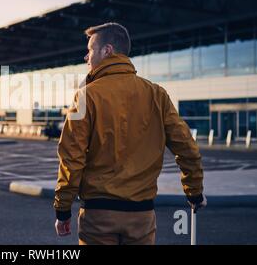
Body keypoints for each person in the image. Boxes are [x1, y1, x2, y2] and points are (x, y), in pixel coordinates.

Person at [54, 22, 206, 245]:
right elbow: (186, 146)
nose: (86, 57)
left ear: (107, 51)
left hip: (98, 214)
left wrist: (63, 209)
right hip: (141, 216)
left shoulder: (85, 97)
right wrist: (194, 191)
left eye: (90, 50)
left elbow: (71, 156)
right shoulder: (157, 94)